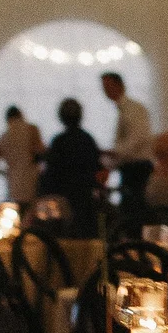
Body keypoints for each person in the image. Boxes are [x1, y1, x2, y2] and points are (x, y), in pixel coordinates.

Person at [38, 98, 102, 237]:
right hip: (85, 199)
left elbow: (51, 173)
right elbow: (97, 168)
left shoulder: (59, 142)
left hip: (62, 203)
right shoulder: (88, 140)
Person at [101, 70, 153, 231]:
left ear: (120, 85)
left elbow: (138, 138)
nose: (106, 91)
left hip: (137, 168)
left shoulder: (134, 109)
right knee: (129, 211)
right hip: (130, 168)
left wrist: (115, 153)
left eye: (108, 86)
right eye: (104, 87)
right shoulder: (126, 109)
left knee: (134, 212)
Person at [0, 104, 45, 207]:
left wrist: (5, 173)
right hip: (32, 181)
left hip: (13, 184)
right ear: (21, 115)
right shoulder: (32, 129)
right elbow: (41, 151)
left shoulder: (4, 136)